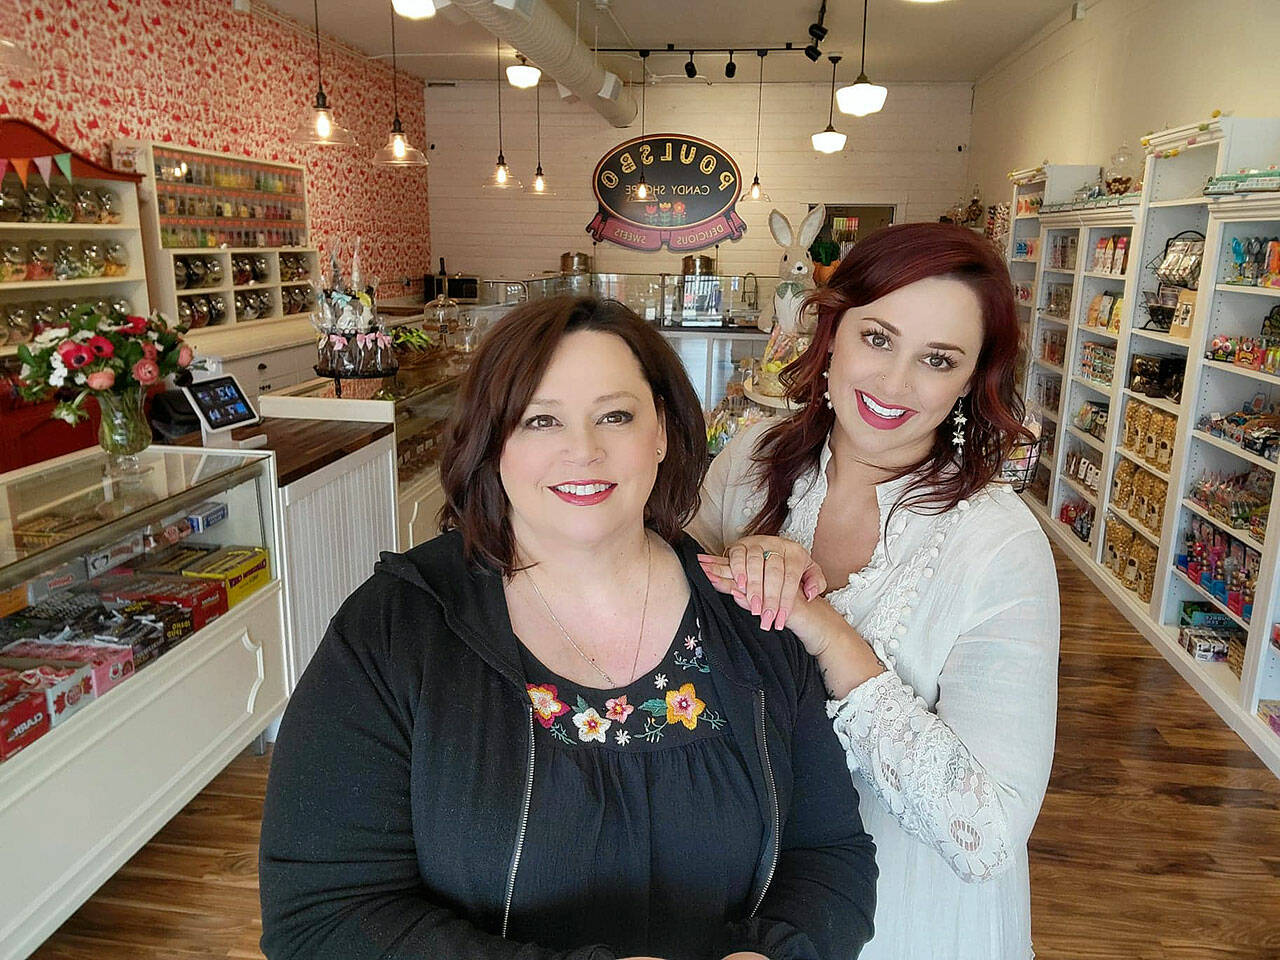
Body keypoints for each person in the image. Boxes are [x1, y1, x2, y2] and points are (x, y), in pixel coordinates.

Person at [259, 296, 878, 960]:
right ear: (492, 442)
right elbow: (320, 918)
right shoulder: (395, 628)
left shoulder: (752, 617)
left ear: (663, 431)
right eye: (540, 420)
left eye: (615, 415)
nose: (582, 450)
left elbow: (829, 853)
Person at [690, 223, 1060, 960]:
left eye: (937, 359)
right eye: (879, 338)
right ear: (831, 334)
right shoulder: (749, 463)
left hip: (908, 913)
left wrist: (825, 630)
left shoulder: (999, 545)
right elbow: (659, 624)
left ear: (970, 379)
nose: (894, 384)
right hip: (742, 891)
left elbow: (986, 833)